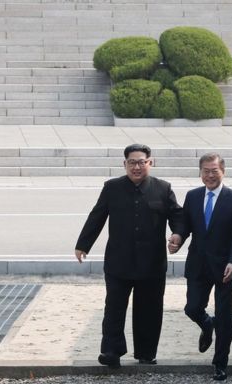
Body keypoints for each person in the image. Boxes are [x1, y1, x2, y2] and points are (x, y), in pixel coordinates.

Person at [75, 144, 183, 368]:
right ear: (124, 164)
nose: (137, 167)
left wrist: (178, 234)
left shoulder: (163, 188)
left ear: (150, 163)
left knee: (149, 310)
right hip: (119, 261)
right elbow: (97, 215)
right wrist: (83, 244)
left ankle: (146, 353)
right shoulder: (112, 187)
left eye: (141, 162)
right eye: (132, 162)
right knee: (113, 308)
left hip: (152, 263)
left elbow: (177, 216)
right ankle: (111, 352)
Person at [168, 152, 232, 381]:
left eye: (214, 171)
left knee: (224, 315)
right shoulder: (192, 196)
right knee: (192, 308)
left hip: (225, 267)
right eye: (206, 171)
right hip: (198, 264)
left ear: (223, 171)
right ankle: (206, 324)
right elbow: (185, 225)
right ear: (200, 172)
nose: (210, 175)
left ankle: (220, 362)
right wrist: (177, 237)